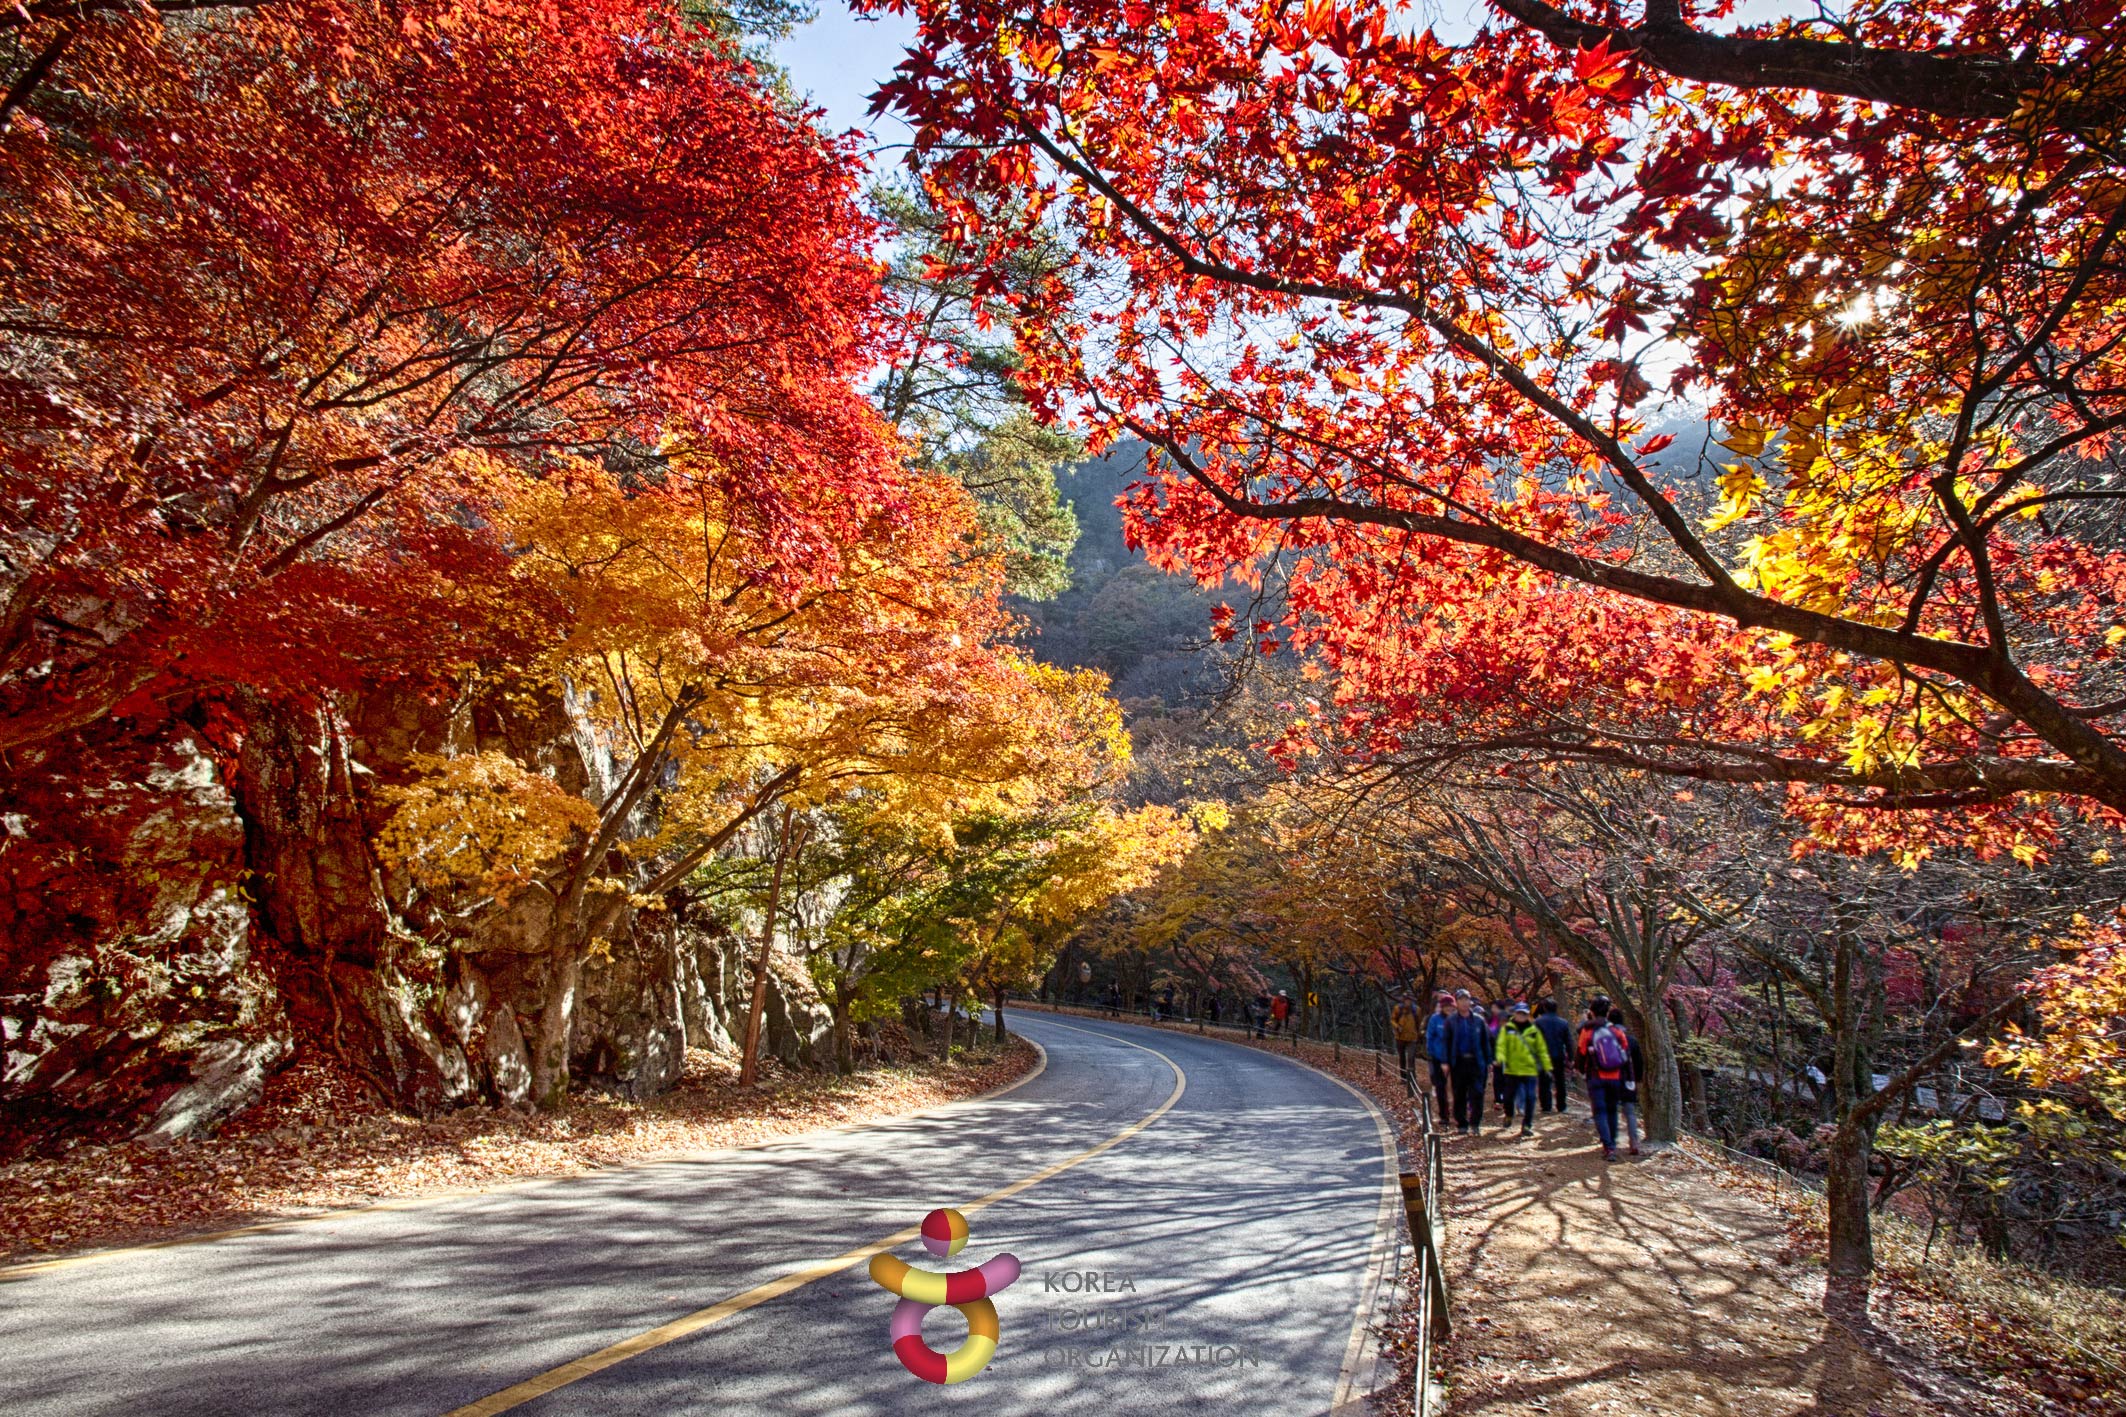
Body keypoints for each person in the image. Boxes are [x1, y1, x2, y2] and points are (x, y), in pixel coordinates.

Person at [1494, 1002, 1551, 1137]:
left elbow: (1541, 1049)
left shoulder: (1533, 1030)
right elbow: (1501, 1045)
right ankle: (1509, 1114)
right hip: (1512, 1069)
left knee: (1531, 1098)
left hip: (1529, 1069)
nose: (1521, 1016)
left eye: (1524, 1014)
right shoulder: (1507, 1029)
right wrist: (1500, 1058)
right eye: (1519, 1013)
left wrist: (1547, 1067)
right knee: (1508, 1097)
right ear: (1514, 1013)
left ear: (1527, 1015)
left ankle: (1527, 1125)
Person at [1584, 1004, 1631, 1161]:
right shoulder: (1616, 1031)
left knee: (1600, 1112)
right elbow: (1624, 1052)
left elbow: (1582, 1052)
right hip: (1615, 1077)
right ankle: (1613, 1143)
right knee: (1612, 1110)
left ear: (1592, 1011)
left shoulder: (1588, 1030)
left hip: (1595, 1076)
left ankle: (1608, 1146)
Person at [1444, 992, 1493, 1134]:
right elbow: (1447, 1042)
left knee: (1477, 1092)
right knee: (1459, 1093)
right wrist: (1445, 1061)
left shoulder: (1478, 1020)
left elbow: (1486, 1042)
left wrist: (1489, 1060)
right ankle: (1461, 1123)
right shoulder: (1451, 1021)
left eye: (1467, 999)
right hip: (1458, 1062)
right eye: (1461, 999)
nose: (1464, 1002)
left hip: (1476, 1061)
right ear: (1456, 1002)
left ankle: (1475, 1123)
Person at [1609, 1007, 1646, 1157]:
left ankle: (1611, 1143)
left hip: (1610, 1079)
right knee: (1630, 1112)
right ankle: (1634, 1142)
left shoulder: (1605, 1039)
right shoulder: (1632, 1041)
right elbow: (1639, 1063)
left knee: (1611, 1111)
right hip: (1628, 1080)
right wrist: (1637, 1080)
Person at [1534, 999, 1573, 1113]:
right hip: (1558, 1055)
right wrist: (1570, 1057)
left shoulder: (1538, 1022)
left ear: (1544, 1008)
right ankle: (1561, 1106)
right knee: (1560, 1081)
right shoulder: (1563, 1022)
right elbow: (1568, 1041)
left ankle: (1546, 1106)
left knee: (1544, 1081)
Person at [1424, 992, 1454, 1125]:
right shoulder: (1435, 1019)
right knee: (1440, 1087)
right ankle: (1444, 1115)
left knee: (1458, 1087)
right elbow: (1430, 1037)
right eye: (1446, 1006)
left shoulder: (1458, 1019)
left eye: (1451, 1007)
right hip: (1438, 1057)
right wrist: (1431, 1053)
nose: (1448, 1009)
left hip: (1455, 1057)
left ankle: (1459, 1114)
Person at [1390, 993, 1423, 1087]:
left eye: (1409, 1000)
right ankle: (1403, 1078)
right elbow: (1392, 1020)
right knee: (1402, 1058)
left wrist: (1419, 1033)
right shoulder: (1398, 1009)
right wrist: (1397, 1026)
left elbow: (1419, 1022)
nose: (1407, 1001)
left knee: (1411, 1057)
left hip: (1412, 1037)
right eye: (1406, 1000)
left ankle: (1412, 1078)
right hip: (1400, 1037)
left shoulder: (1416, 1010)